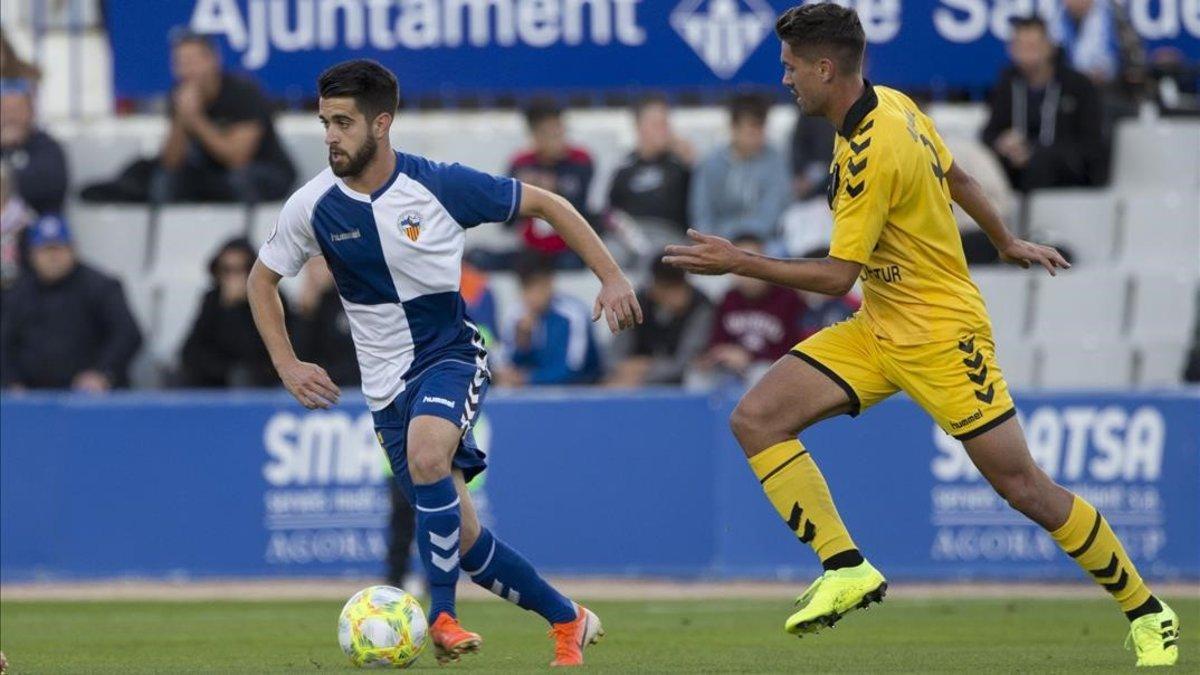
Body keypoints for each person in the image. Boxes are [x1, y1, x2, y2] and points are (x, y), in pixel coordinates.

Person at [662, 4, 1177, 668]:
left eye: (790, 67)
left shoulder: (880, 145)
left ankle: (1148, 610)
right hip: (880, 323)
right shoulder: (889, 106)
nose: (784, 78)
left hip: (939, 332)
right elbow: (958, 175)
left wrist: (741, 261)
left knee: (1023, 487)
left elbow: (832, 274)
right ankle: (845, 565)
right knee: (756, 418)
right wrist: (1006, 239)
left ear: (825, 68)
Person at [247, 60, 641, 667]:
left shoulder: (441, 185)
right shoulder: (312, 205)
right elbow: (261, 280)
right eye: (325, 122)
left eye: (343, 122)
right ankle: (569, 618)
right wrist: (287, 363)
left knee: (430, 453)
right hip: (384, 391)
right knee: (463, 539)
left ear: (383, 124)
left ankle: (443, 615)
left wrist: (611, 277)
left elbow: (550, 205)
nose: (330, 135)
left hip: (448, 355)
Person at [1, 214, 142, 391]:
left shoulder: (100, 286)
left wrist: (102, 373)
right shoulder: (18, 293)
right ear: (32, 255)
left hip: (91, 398)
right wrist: (10, 380)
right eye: (45, 250)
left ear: (73, 250)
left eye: (59, 249)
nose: (53, 257)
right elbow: (4, 343)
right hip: (31, 397)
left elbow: (128, 334)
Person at [153, 30, 295, 204]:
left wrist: (196, 120)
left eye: (192, 61)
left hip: (263, 170)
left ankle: (248, 231)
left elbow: (237, 158)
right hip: (213, 172)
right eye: (179, 63)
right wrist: (181, 120)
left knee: (240, 180)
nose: (186, 70)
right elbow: (170, 162)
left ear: (213, 60)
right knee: (165, 181)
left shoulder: (243, 93)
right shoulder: (179, 95)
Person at [981, 16, 1106, 192]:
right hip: (1016, 171)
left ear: (1049, 47)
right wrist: (1003, 142)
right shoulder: (1008, 84)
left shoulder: (1078, 86)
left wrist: (1035, 152)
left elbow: (1090, 145)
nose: (1026, 54)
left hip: (1068, 175)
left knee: (1041, 164)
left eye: (1032, 46)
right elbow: (989, 133)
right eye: (1020, 47)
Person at [691, 234, 805, 388]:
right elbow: (716, 342)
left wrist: (750, 357)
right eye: (739, 265)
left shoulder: (789, 298)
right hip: (731, 368)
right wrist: (718, 355)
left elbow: (795, 348)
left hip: (774, 369)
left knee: (760, 374)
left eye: (751, 263)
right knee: (698, 376)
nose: (747, 273)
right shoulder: (728, 299)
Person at [690, 93, 791, 246]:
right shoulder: (711, 164)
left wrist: (750, 239)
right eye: (751, 131)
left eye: (761, 129)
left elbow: (775, 210)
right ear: (734, 128)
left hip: (765, 243)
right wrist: (726, 242)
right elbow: (702, 214)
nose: (757, 137)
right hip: (718, 243)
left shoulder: (775, 161)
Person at [179, 237, 281, 388]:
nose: (233, 278)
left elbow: (260, 352)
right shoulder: (213, 300)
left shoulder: (272, 297)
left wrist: (237, 309)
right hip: (216, 384)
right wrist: (228, 308)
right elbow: (190, 352)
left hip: (261, 385)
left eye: (240, 270)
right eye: (226, 270)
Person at [507, 100, 595, 268]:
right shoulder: (521, 164)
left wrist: (551, 189)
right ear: (535, 136)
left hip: (569, 247)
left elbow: (581, 207)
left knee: (571, 264)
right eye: (549, 133)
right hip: (530, 249)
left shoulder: (580, 160)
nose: (558, 138)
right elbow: (507, 218)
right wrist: (527, 193)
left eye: (559, 129)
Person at [495, 253, 602, 387]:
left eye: (538, 287)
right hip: (531, 393)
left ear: (550, 283)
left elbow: (574, 369)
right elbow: (508, 366)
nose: (532, 296)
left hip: (580, 391)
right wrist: (522, 343)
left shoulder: (573, 314)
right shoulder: (515, 315)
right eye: (526, 288)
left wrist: (529, 379)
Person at [606, 257, 713, 387]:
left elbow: (687, 362)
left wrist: (646, 368)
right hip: (628, 378)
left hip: (678, 384)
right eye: (666, 289)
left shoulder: (700, 308)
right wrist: (625, 369)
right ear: (654, 288)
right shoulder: (636, 303)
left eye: (677, 288)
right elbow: (614, 355)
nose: (675, 296)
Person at [607, 94, 693, 237]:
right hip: (629, 235)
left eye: (665, 124)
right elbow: (611, 211)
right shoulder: (623, 168)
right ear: (638, 127)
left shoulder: (680, 167)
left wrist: (692, 164)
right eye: (656, 125)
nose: (663, 130)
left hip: (668, 234)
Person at [0, 78, 68, 216]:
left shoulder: (48, 147)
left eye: (18, 109)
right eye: (4, 109)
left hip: (38, 230)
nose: (11, 116)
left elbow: (51, 188)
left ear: (32, 111)